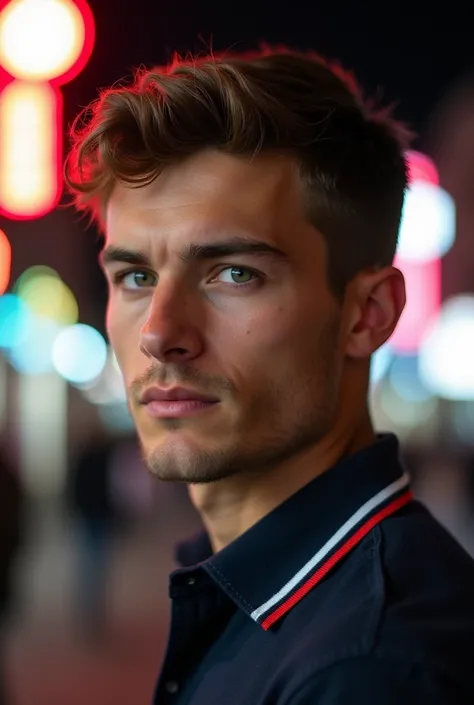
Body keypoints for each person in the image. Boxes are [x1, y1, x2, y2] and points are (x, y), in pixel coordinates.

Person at [65, 48, 474, 704]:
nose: (159, 333)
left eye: (234, 273)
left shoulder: (370, 670)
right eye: (136, 276)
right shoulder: (260, 586)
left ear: (366, 315)